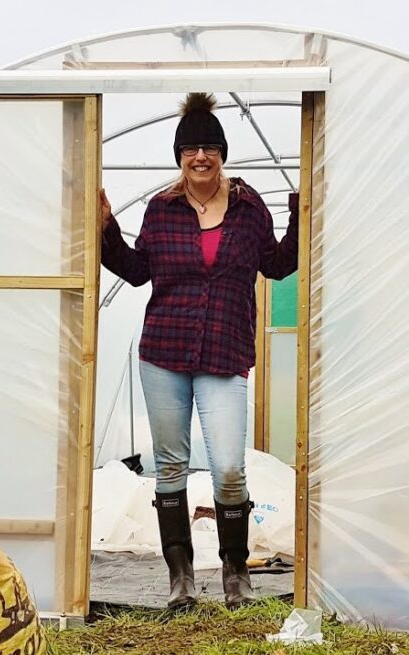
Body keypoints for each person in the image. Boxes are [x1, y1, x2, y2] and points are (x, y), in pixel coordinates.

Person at [98, 92, 299, 610]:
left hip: (225, 354)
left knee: (229, 467)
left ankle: (236, 573)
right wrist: (105, 228)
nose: (201, 157)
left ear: (222, 153)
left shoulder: (249, 207)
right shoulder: (161, 210)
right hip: (164, 353)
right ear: (179, 156)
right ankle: (180, 580)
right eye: (191, 149)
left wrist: (303, 213)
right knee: (170, 466)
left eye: (210, 148)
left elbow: (278, 264)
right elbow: (137, 271)